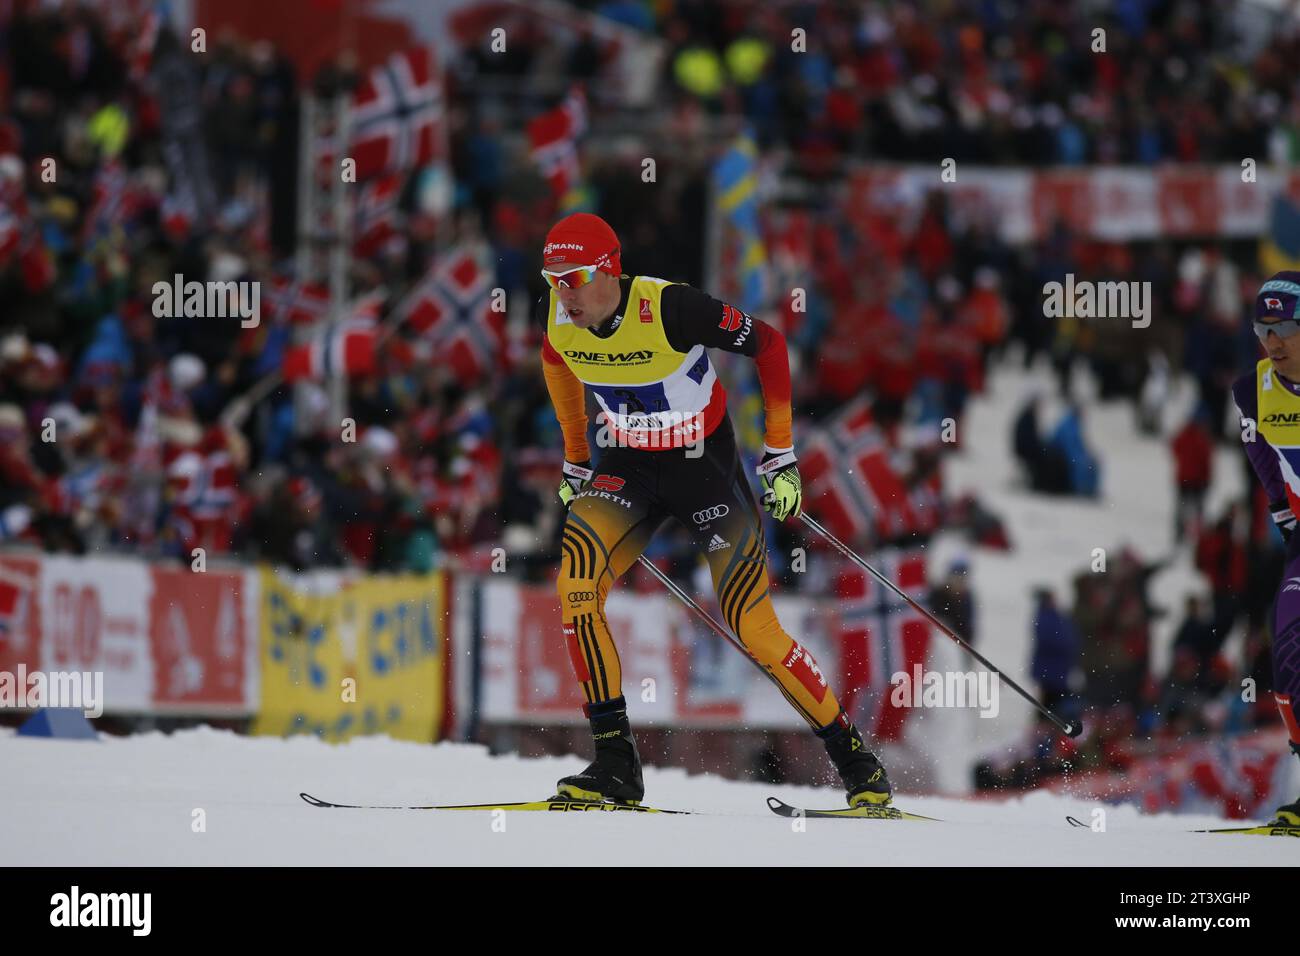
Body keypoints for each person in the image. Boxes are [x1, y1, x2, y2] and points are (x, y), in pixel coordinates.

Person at [536, 212, 891, 807]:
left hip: (705, 468)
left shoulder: (671, 308)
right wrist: (576, 460)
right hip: (627, 465)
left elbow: (770, 345)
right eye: (552, 280)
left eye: (571, 278)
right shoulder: (560, 318)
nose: (561, 293)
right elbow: (556, 366)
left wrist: (779, 454)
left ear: (608, 271)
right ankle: (616, 766)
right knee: (575, 585)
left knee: (753, 625)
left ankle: (858, 765)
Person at [1229, 270, 1300, 829]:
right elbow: (1265, 466)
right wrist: (1284, 520)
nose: (1272, 342)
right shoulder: (1252, 391)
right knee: (1289, 647)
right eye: (1263, 329)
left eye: (1285, 328)